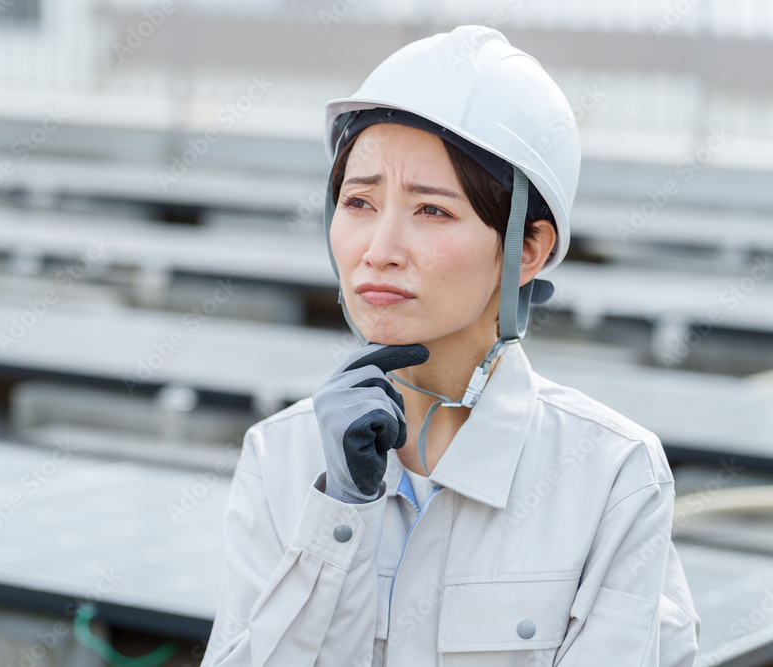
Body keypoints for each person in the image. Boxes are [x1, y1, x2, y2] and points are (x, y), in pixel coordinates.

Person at [201, 25, 701, 666]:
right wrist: (339, 514)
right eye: (358, 202)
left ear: (526, 249)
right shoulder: (282, 458)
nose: (378, 251)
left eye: (431, 210)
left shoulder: (612, 479)